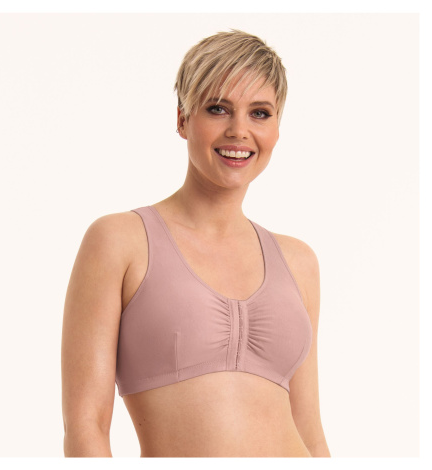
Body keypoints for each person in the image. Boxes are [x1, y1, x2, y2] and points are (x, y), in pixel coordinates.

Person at [61, 29, 331, 458]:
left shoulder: (299, 261)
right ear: (183, 119)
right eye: (218, 109)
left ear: (277, 128)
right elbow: (86, 427)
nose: (239, 130)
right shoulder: (119, 242)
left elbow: (311, 431)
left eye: (260, 113)